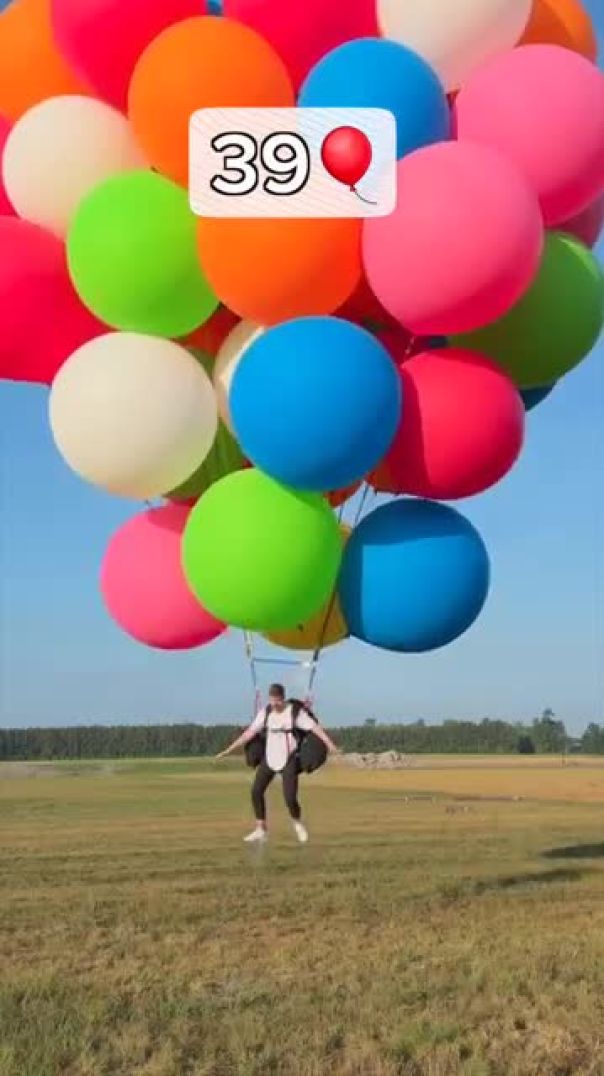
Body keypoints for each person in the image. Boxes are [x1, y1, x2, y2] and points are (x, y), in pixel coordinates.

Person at [215, 683, 339, 844]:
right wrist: (229, 750)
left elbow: (315, 728)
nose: (274, 704)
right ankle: (261, 829)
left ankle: (297, 823)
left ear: (283, 698)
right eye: (272, 701)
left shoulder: (295, 713)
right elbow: (249, 733)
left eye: (277, 701)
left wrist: (329, 744)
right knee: (256, 791)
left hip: (289, 759)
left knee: (289, 798)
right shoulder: (265, 712)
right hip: (270, 758)